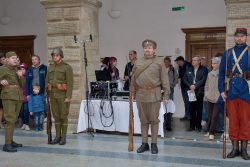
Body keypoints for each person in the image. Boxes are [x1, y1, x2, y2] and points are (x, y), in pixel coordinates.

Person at [130, 39, 170, 154]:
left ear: (154, 50)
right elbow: (133, 78)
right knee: (143, 121)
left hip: (154, 95)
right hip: (141, 95)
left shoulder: (159, 62)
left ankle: (154, 144)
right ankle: (144, 144)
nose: (147, 49)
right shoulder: (138, 62)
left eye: (150, 48)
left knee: (154, 121)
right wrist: (131, 92)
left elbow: (165, 80)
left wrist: (166, 95)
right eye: (145, 48)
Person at [218, 28, 250, 160]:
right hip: (231, 91)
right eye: (238, 36)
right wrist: (221, 91)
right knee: (233, 122)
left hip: (245, 92)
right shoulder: (228, 53)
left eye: (242, 36)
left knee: (245, 121)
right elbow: (221, 73)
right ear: (234, 37)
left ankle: (244, 150)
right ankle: (235, 148)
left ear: (246, 37)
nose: (240, 38)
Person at [46, 47, 73, 145]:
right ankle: (57, 136)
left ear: (61, 56)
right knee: (56, 116)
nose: (54, 57)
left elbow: (70, 83)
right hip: (52, 95)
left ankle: (63, 137)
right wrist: (46, 95)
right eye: (53, 55)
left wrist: (68, 96)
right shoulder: (50, 67)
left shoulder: (67, 67)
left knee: (63, 116)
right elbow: (47, 81)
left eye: (56, 55)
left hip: (63, 96)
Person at [0, 51, 24, 152]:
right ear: (7, 59)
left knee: (13, 120)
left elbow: (21, 85)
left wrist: (20, 76)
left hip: (17, 96)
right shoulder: (2, 68)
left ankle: (10, 140)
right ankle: (7, 144)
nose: (15, 59)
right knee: (10, 120)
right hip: (8, 96)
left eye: (16, 58)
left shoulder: (16, 69)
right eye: (12, 58)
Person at [183, 56, 208, 132]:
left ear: (199, 61)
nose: (193, 61)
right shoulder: (189, 69)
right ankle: (192, 126)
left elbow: (203, 79)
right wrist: (190, 85)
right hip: (191, 92)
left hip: (199, 92)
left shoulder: (204, 69)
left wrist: (195, 85)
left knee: (199, 110)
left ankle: (198, 126)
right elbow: (184, 79)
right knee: (191, 109)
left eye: (195, 60)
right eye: (192, 60)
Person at [203, 57, 221, 140]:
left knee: (214, 116)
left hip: (218, 98)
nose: (213, 65)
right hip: (209, 97)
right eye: (212, 63)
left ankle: (212, 133)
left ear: (219, 64)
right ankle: (209, 130)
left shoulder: (222, 74)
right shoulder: (210, 74)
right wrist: (206, 94)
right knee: (209, 116)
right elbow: (206, 85)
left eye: (215, 63)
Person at [175, 56, 192, 121]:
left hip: (188, 86)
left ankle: (190, 116)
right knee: (185, 101)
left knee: (189, 101)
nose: (177, 63)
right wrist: (179, 83)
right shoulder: (180, 67)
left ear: (181, 61)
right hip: (183, 86)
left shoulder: (188, 65)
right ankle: (187, 115)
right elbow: (180, 75)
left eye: (178, 61)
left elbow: (189, 76)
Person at [19, 63, 30, 131]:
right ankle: (24, 123)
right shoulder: (18, 77)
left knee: (26, 110)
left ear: (26, 70)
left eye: (23, 69)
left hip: (26, 96)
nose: (22, 70)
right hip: (20, 97)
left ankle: (27, 124)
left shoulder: (28, 77)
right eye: (21, 69)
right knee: (21, 111)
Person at [0, 53, 6, 128]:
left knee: (2, 107)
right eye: (1, 60)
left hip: (4, 90)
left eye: (3, 59)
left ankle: (1, 122)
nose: (2, 61)